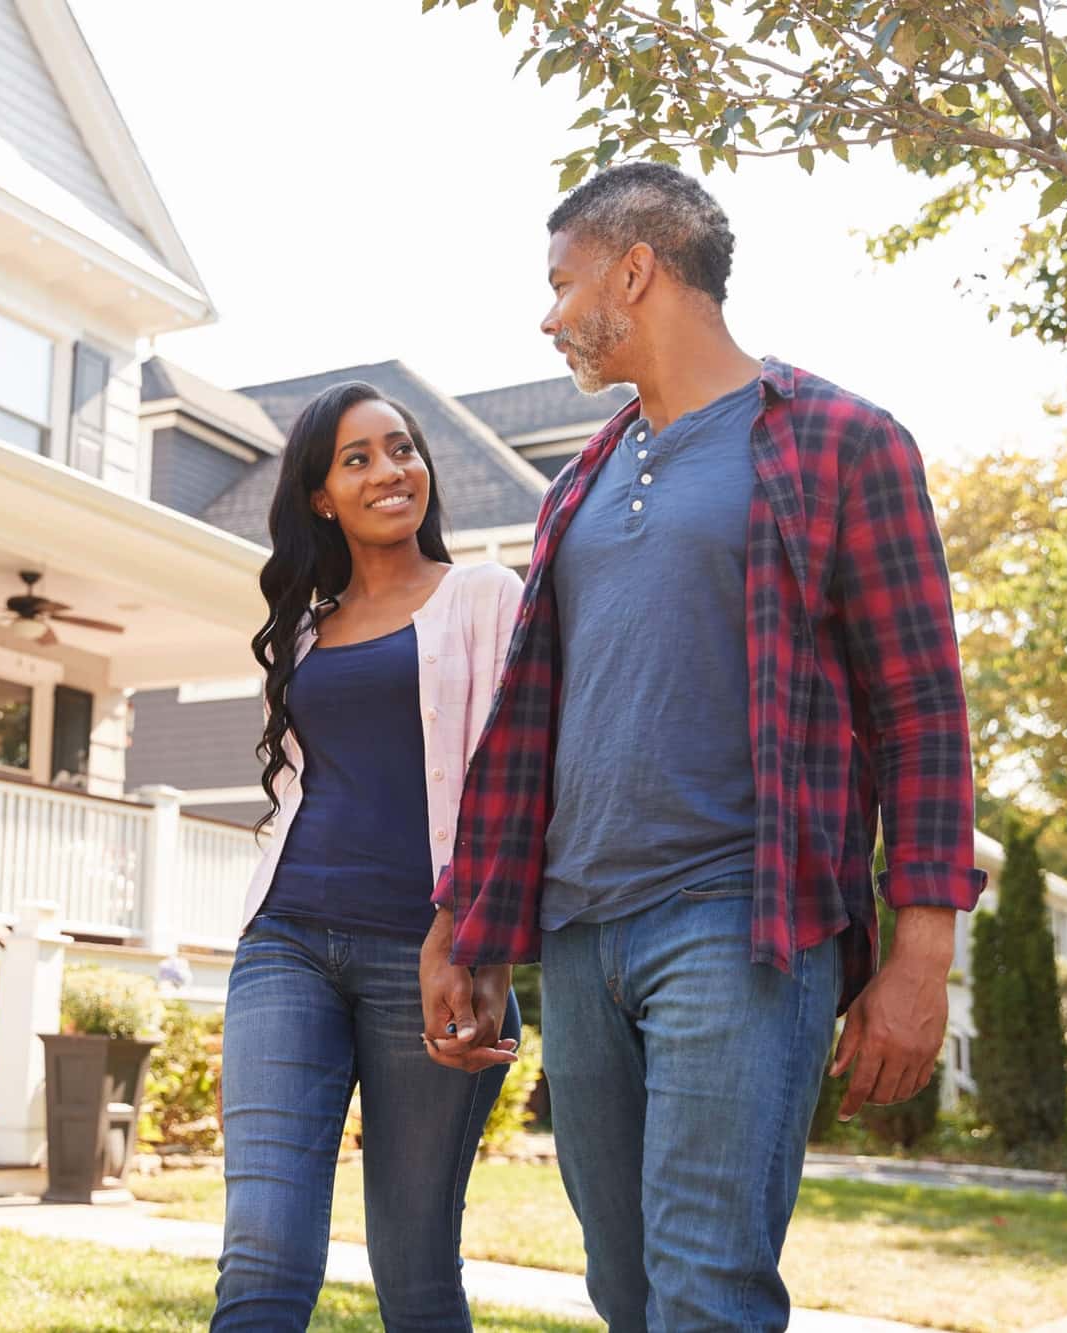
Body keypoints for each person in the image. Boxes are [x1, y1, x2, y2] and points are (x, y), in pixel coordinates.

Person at [420, 162, 987, 1331]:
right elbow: (528, 724)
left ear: (634, 271)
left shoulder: (839, 441)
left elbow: (921, 707)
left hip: (741, 919)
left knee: (706, 1288)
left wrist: (919, 951)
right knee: (625, 1289)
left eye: (560, 283)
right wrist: (471, 922)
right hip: (580, 934)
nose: (547, 317)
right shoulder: (576, 480)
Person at [214, 380, 523, 1332]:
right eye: (358, 458)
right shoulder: (304, 629)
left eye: (403, 448)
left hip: (430, 957)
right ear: (321, 495)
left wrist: (480, 946)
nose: (391, 470)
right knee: (262, 1246)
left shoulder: (484, 594)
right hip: (287, 942)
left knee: (415, 1262)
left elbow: (522, 783)